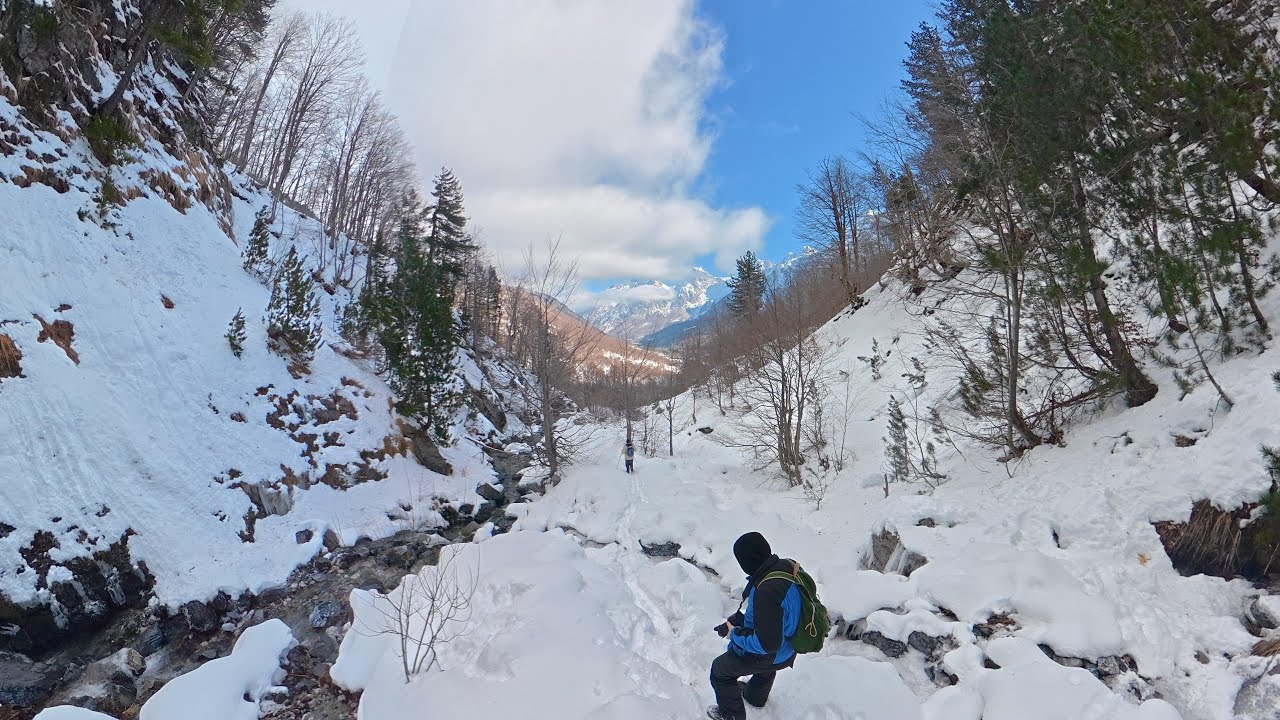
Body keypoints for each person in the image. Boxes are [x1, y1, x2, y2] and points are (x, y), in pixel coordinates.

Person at [707, 532, 800, 720]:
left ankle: (732, 716)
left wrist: (734, 634)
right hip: (789, 647)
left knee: (719, 671)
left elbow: (765, 645)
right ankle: (755, 697)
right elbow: (777, 614)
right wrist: (738, 620)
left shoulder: (766, 590)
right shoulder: (787, 568)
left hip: (773, 654)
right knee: (765, 662)